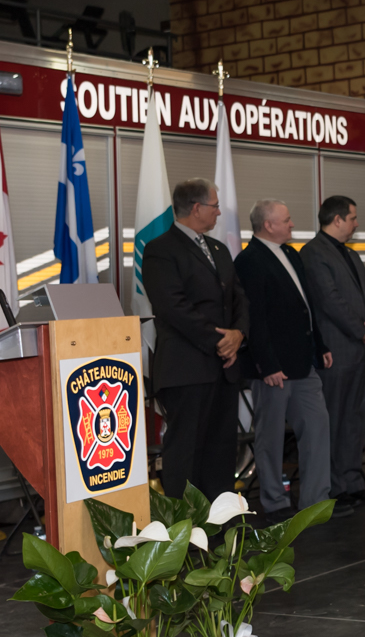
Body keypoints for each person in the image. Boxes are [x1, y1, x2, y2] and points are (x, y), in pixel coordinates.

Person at [143, 178, 250, 500]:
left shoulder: (218, 249)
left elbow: (240, 299)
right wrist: (219, 341)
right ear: (196, 207)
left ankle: (219, 520)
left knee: (220, 449)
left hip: (223, 367)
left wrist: (238, 334)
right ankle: (184, 526)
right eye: (215, 206)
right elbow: (172, 307)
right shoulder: (161, 249)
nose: (219, 213)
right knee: (185, 450)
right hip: (186, 367)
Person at [234, 198, 334, 519]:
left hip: (304, 362)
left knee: (318, 428)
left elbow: (307, 307)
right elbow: (255, 318)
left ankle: (316, 502)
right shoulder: (249, 261)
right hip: (274, 368)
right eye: (287, 220)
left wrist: (320, 345)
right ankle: (275, 503)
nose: (292, 225)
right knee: (271, 437)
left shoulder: (292, 253)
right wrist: (267, 364)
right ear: (269, 225)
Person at [300, 194, 365, 509]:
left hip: (358, 350)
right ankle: (334, 486)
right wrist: (362, 330)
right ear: (337, 220)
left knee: (354, 419)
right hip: (337, 349)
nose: (357, 224)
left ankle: (353, 481)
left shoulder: (350, 254)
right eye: (353, 218)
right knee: (333, 419)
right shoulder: (314, 253)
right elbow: (329, 300)